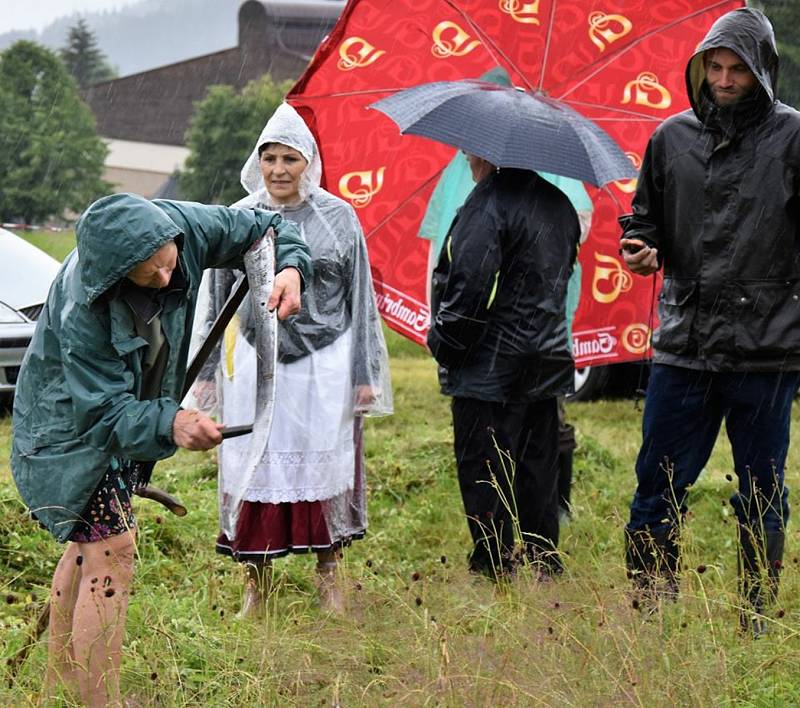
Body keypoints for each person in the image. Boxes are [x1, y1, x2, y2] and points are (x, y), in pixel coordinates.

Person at [10, 192, 311, 706]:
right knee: (112, 550)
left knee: (88, 549)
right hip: (67, 433)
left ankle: (59, 682)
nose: (168, 280)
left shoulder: (181, 227)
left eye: (170, 264)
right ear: (119, 273)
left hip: (123, 413)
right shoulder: (86, 304)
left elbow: (267, 227)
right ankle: (100, 700)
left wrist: (290, 269)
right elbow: (102, 414)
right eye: (151, 277)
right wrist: (171, 422)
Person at [620, 7, 800, 635]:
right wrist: (639, 250)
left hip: (768, 350)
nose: (723, 80)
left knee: (761, 490)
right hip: (684, 345)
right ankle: (650, 613)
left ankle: (756, 619)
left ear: (762, 74)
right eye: (714, 67)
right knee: (656, 485)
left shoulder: (793, 138)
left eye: (738, 70)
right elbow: (641, 221)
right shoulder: (670, 138)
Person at [197, 103, 392, 616]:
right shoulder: (239, 219)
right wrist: (210, 370)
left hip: (322, 365)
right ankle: (254, 587)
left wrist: (365, 372)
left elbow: (361, 296)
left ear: (309, 161)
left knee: (322, 466)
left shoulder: (338, 218)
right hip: (254, 363)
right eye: (270, 158)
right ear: (257, 162)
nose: (279, 169)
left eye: (290, 158)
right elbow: (216, 296)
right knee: (253, 463)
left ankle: (329, 578)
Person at [427, 154, 579, 580]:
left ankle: (493, 564)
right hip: (546, 358)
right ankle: (543, 559)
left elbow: (469, 287)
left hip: (488, 366)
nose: (464, 157)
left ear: (484, 153)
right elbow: (560, 276)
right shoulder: (558, 203)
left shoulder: (486, 204)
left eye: (468, 150)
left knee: (483, 468)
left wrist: (445, 344)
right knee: (538, 467)